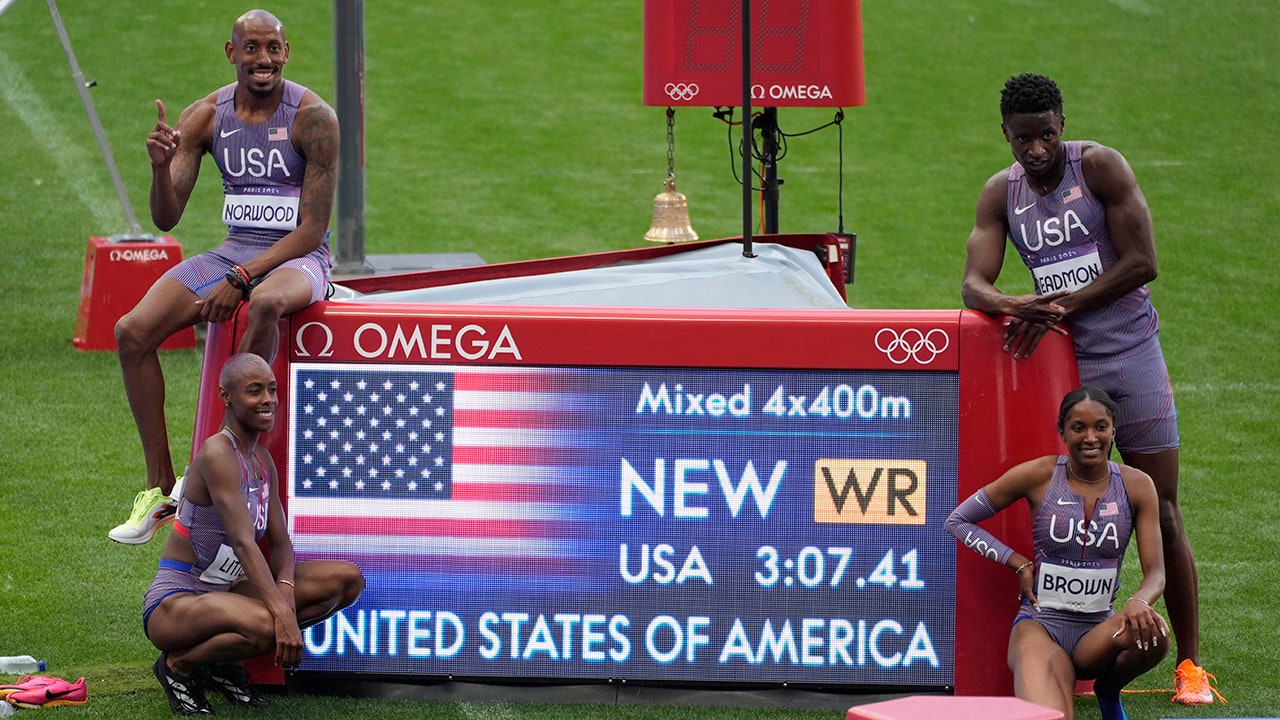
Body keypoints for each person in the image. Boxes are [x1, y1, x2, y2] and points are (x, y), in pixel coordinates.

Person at [960, 72, 1216, 704]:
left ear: (1063, 127)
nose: (1037, 150)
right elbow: (973, 285)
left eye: (1046, 135)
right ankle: (1072, 632)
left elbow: (1141, 262)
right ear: (1006, 136)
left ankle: (1190, 668)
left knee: (1168, 508)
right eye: (1024, 139)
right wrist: (1014, 302)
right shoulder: (1002, 194)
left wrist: (1062, 305)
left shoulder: (1100, 168)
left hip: (1131, 360)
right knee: (1070, 506)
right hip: (1068, 373)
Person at [110, 8, 338, 546]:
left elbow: (312, 231)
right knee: (130, 332)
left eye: (273, 49)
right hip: (233, 251)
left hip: (298, 260)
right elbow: (166, 218)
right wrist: (160, 168)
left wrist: (243, 277)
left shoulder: (314, 118)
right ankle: (160, 485)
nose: (264, 61)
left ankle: (214, 457)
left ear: (286, 53)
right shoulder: (204, 117)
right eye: (252, 49)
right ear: (231, 53)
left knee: (263, 304)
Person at [142, 353, 364, 715]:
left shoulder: (260, 460)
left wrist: (286, 593)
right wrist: (282, 615)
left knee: (346, 581)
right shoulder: (218, 453)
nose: (268, 400)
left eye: (272, 390)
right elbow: (245, 543)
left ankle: (219, 664)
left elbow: (280, 544)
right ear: (225, 396)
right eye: (255, 391)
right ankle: (178, 667)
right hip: (178, 602)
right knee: (267, 625)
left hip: (228, 592)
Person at [946, 387, 1167, 720]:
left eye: (1100, 427)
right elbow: (959, 520)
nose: (1090, 438)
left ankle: (1108, 691)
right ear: (1063, 432)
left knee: (1156, 634)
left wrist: (1139, 601)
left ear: (1114, 430)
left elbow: (1157, 573)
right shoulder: (1039, 475)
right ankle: (1057, 677)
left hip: (1097, 631)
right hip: (1040, 626)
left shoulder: (1137, 486)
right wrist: (1017, 562)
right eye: (1079, 428)